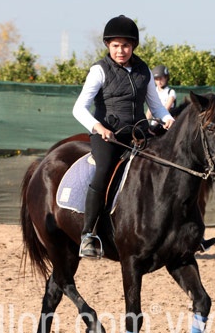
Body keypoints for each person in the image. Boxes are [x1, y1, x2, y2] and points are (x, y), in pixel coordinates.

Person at [72, 15, 175, 258]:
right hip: (108, 136)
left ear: (133, 46)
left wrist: (168, 118)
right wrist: (99, 127)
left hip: (138, 135)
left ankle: (179, 229)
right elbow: (79, 108)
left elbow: (155, 106)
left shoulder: (144, 70)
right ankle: (88, 234)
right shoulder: (99, 70)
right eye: (116, 45)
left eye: (126, 45)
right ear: (108, 45)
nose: (121, 50)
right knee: (104, 169)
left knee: (168, 167)